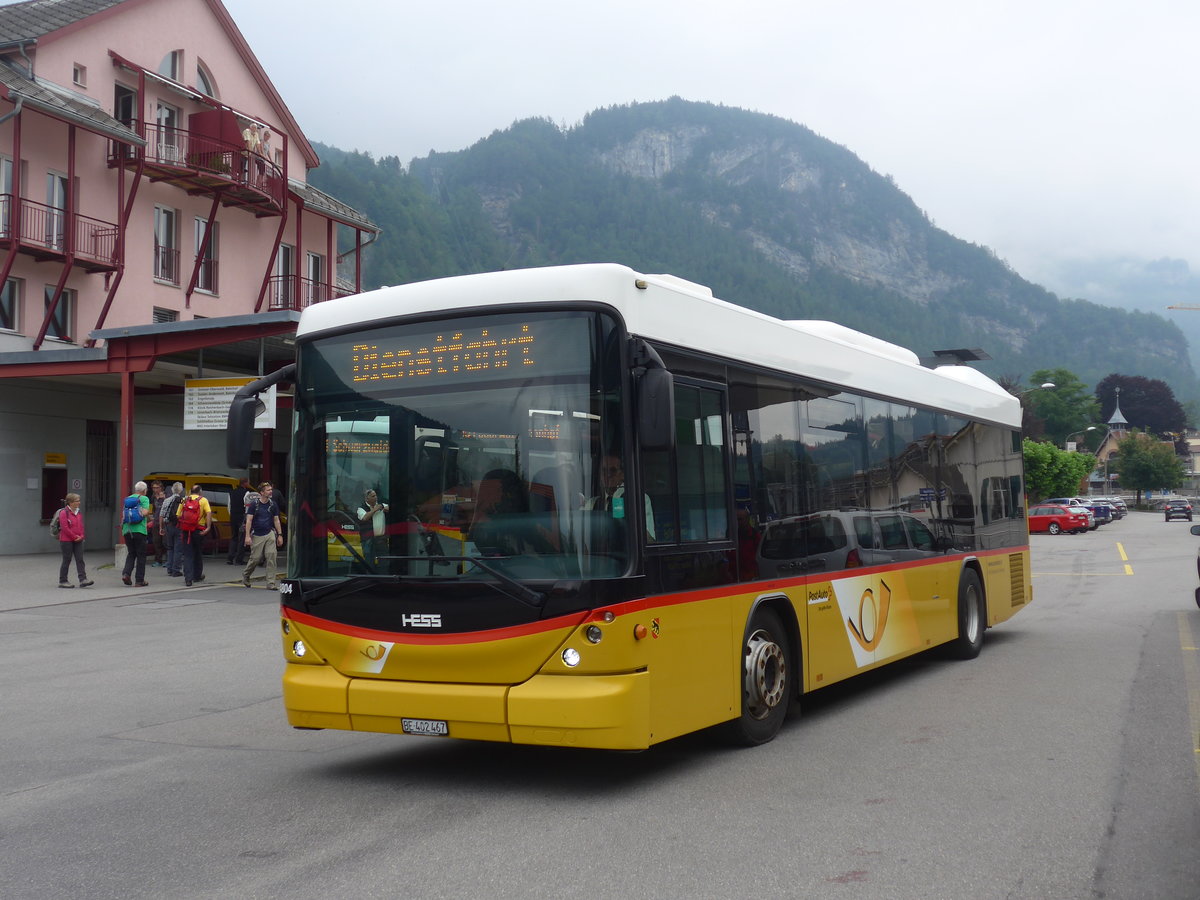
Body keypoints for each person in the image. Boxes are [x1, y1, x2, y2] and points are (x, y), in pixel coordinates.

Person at [583, 455, 656, 540]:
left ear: (622, 474)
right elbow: (582, 536)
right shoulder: (592, 503)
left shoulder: (637, 499)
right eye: (604, 471)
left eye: (612, 470)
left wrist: (631, 521)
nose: (608, 475)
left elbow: (649, 541)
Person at [242, 481, 283, 589]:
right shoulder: (254, 504)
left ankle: (271, 583)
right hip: (257, 534)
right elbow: (249, 520)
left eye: (271, 490)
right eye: (268, 490)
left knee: (271, 556)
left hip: (269, 533)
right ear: (261, 492)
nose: (271, 492)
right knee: (255, 558)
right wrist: (247, 536)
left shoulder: (273, 504)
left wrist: (280, 535)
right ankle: (246, 575)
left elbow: (276, 520)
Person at [55, 493, 93, 588]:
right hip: (66, 540)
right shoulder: (64, 512)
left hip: (78, 539)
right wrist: (74, 537)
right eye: (77, 501)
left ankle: (83, 579)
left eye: (79, 500)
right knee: (67, 559)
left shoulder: (78, 512)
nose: (79, 502)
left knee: (80, 559)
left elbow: (81, 526)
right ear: (70, 502)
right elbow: (64, 528)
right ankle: (63, 580)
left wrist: (81, 536)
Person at [178, 484, 212, 587]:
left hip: (186, 530)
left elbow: (178, 514)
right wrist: (208, 527)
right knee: (197, 553)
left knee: (187, 554)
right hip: (198, 530)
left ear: (190, 491)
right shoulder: (203, 500)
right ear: (200, 491)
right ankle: (197, 575)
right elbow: (209, 513)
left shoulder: (184, 499)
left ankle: (188, 579)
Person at [120, 481, 151, 586]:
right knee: (141, 555)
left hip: (127, 530)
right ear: (144, 490)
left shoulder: (128, 499)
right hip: (140, 530)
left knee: (131, 553)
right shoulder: (144, 498)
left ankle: (126, 574)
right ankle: (139, 580)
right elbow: (145, 512)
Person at [356, 489, 389, 563]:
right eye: (373, 496)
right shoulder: (361, 508)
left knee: (384, 562)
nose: (376, 497)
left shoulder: (381, 505)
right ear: (367, 498)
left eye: (376, 495)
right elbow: (364, 518)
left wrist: (384, 508)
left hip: (381, 539)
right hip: (368, 540)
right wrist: (375, 510)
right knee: (369, 562)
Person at [161, 482, 184, 577]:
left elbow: (161, 515)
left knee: (170, 548)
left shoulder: (166, 500)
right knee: (178, 549)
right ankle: (176, 570)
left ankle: (169, 569)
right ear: (181, 490)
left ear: (172, 490)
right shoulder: (183, 500)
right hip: (179, 526)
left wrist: (161, 527)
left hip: (168, 525)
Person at [226, 477, 251, 565]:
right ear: (245, 483)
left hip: (233, 516)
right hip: (242, 517)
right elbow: (247, 506)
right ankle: (239, 559)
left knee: (234, 537)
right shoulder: (246, 493)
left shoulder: (231, 492)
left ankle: (230, 558)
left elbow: (228, 506)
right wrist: (247, 518)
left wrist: (232, 514)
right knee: (242, 538)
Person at [149, 481, 166, 566]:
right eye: (154, 488)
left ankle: (167, 560)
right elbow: (154, 508)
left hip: (164, 522)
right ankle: (158, 560)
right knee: (156, 541)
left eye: (157, 488)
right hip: (156, 521)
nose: (155, 490)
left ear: (161, 488)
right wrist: (152, 516)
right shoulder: (153, 497)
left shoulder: (166, 496)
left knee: (165, 541)